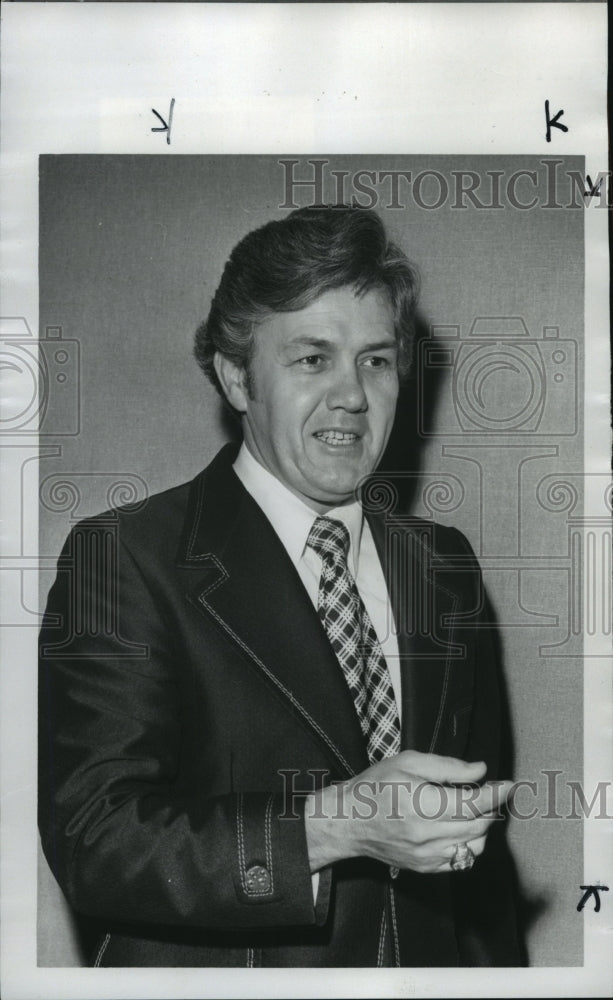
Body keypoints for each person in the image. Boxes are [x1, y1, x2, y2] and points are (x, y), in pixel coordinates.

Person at [38, 205, 523, 968]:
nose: (353, 396)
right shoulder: (125, 556)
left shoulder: (444, 567)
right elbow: (98, 842)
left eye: (375, 359)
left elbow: (479, 868)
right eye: (311, 359)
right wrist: (332, 826)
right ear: (236, 376)